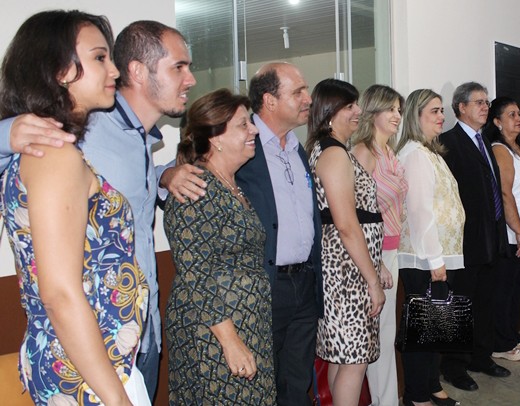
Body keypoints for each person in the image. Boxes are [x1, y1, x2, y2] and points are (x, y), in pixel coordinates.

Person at [0, 20, 201, 400]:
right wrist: (117, 397)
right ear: (61, 71)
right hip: (89, 364)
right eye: (99, 58)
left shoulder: (63, 149)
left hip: (106, 354)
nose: (113, 70)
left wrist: (163, 175)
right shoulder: (56, 153)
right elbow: (60, 294)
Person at [164, 89, 275, 404]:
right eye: (243, 125)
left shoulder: (231, 185)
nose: (254, 130)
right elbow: (195, 273)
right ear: (215, 138)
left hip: (246, 325)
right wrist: (230, 341)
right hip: (212, 334)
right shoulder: (196, 188)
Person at [237, 62, 323, 405]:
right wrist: (167, 176)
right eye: (298, 91)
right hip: (266, 284)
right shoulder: (242, 140)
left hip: (304, 282)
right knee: (262, 383)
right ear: (269, 100)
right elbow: (195, 164)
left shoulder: (295, 148)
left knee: (297, 381)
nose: (308, 98)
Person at [306, 78, 385, 405]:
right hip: (346, 273)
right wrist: (372, 280)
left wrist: (378, 264)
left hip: (349, 268)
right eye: (349, 106)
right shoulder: (334, 154)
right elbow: (347, 225)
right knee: (354, 361)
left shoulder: (333, 150)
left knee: (343, 357)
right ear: (328, 112)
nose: (358, 111)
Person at [438, 82, 510, 392]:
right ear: (461, 107)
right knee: (459, 306)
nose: (485, 107)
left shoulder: (485, 141)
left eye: (487, 102)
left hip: (490, 239)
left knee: (485, 303)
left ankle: (481, 357)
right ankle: (454, 367)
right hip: (463, 242)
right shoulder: (447, 143)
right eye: (479, 102)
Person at [396, 89, 464, 406]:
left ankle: (432, 384)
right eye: (434, 111)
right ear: (416, 116)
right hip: (424, 259)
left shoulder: (430, 151)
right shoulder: (414, 154)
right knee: (424, 330)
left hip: (439, 257)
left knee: (438, 327)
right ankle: (416, 395)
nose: (441, 117)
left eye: (441, 111)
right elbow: (420, 211)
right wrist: (436, 259)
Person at [351, 84, 408, 406]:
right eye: (390, 109)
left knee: (387, 333)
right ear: (372, 111)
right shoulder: (363, 152)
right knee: (379, 334)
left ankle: (386, 400)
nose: (397, 115)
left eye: (399, 109)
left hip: (393, 249)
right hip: (376, 254)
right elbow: (356, 215)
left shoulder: (389, 152)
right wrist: (377, 261)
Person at [486, 97, 520, 361]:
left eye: (519, 114)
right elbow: (505, 193)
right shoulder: (500, 150)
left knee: (517, 288)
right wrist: (518, 230)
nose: (518, 118)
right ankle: (501, 342)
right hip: (512, 234)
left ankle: (511, 334)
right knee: (504, 290)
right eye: (511, 114)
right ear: (497, 122)